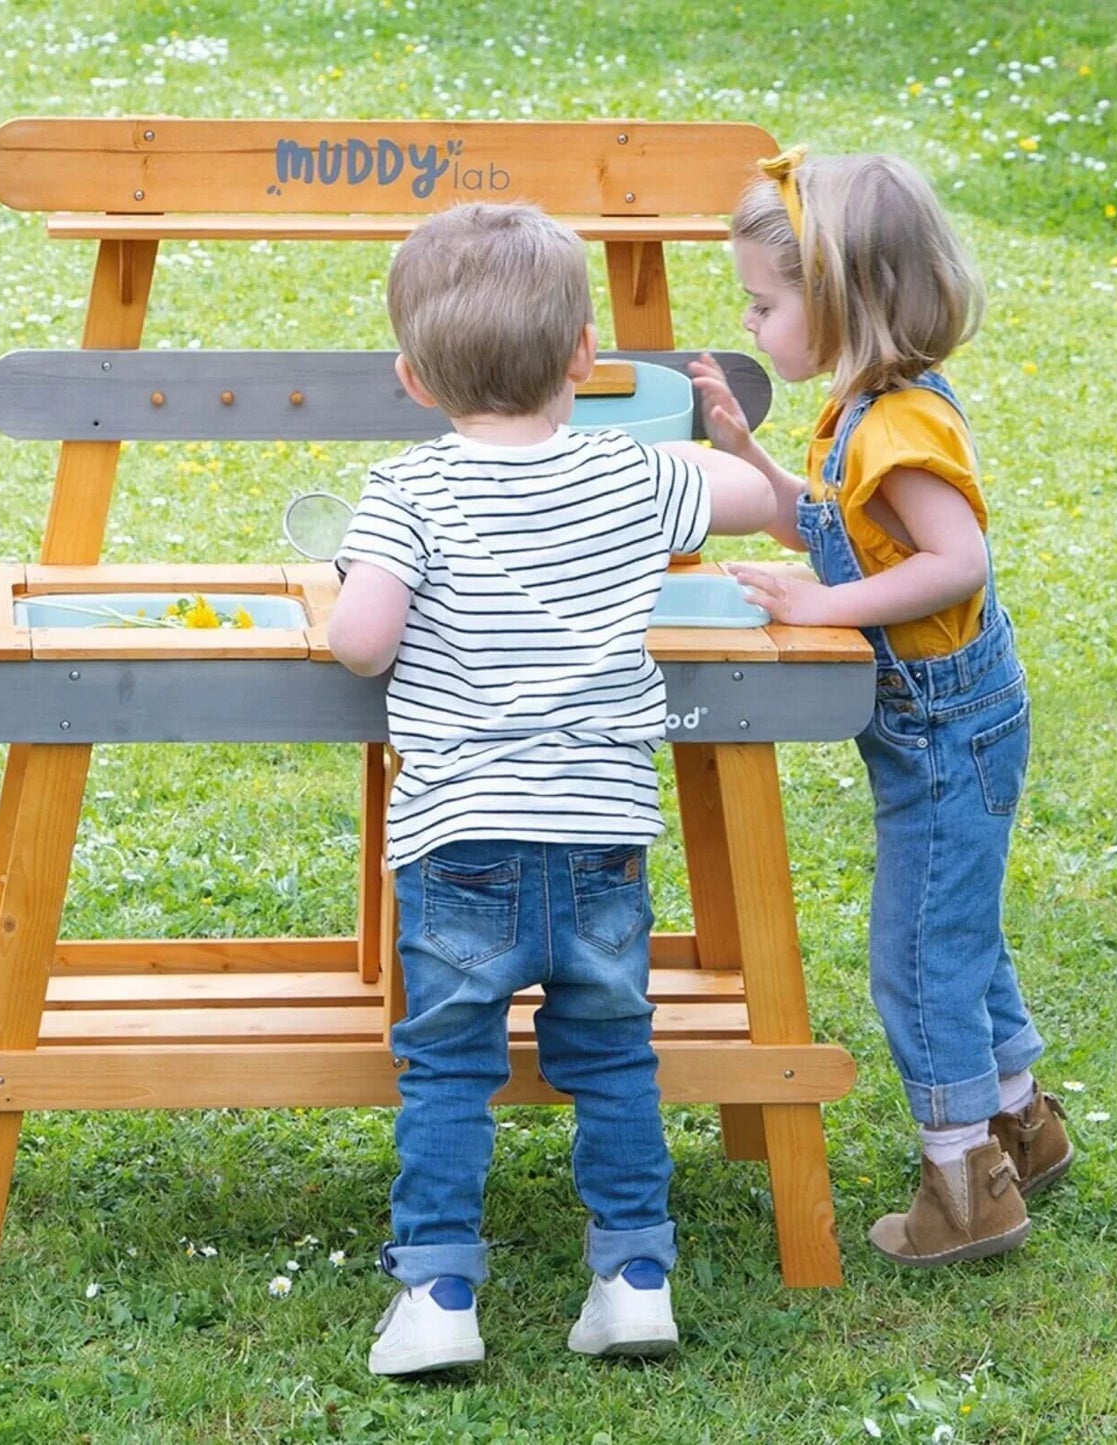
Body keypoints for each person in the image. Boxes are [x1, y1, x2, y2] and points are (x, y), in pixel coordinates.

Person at [327, 201, 775, 1373]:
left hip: (459, 840)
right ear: (584, 354)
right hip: (600, 840)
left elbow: (362, 641)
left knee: (447, 1065)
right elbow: (763, 501)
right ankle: (633, 1279)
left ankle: (435, 1296)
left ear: (412, 378)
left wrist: (347, 587)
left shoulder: (404, 492)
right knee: (615, 1052)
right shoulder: (634, 478)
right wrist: (734, 446)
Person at [690, 148, 1073, 1268]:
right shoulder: (861, 408)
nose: (753, 324)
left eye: (763, 303)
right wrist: (749, 457)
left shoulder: (897, 428)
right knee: (958, 935)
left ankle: (964, 1182)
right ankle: (1020, 1126)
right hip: (945, 726)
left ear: (841, 299)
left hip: (947, 731)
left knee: (917, 956)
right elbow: (829, 524)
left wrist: (830, 603)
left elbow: (952, 561)